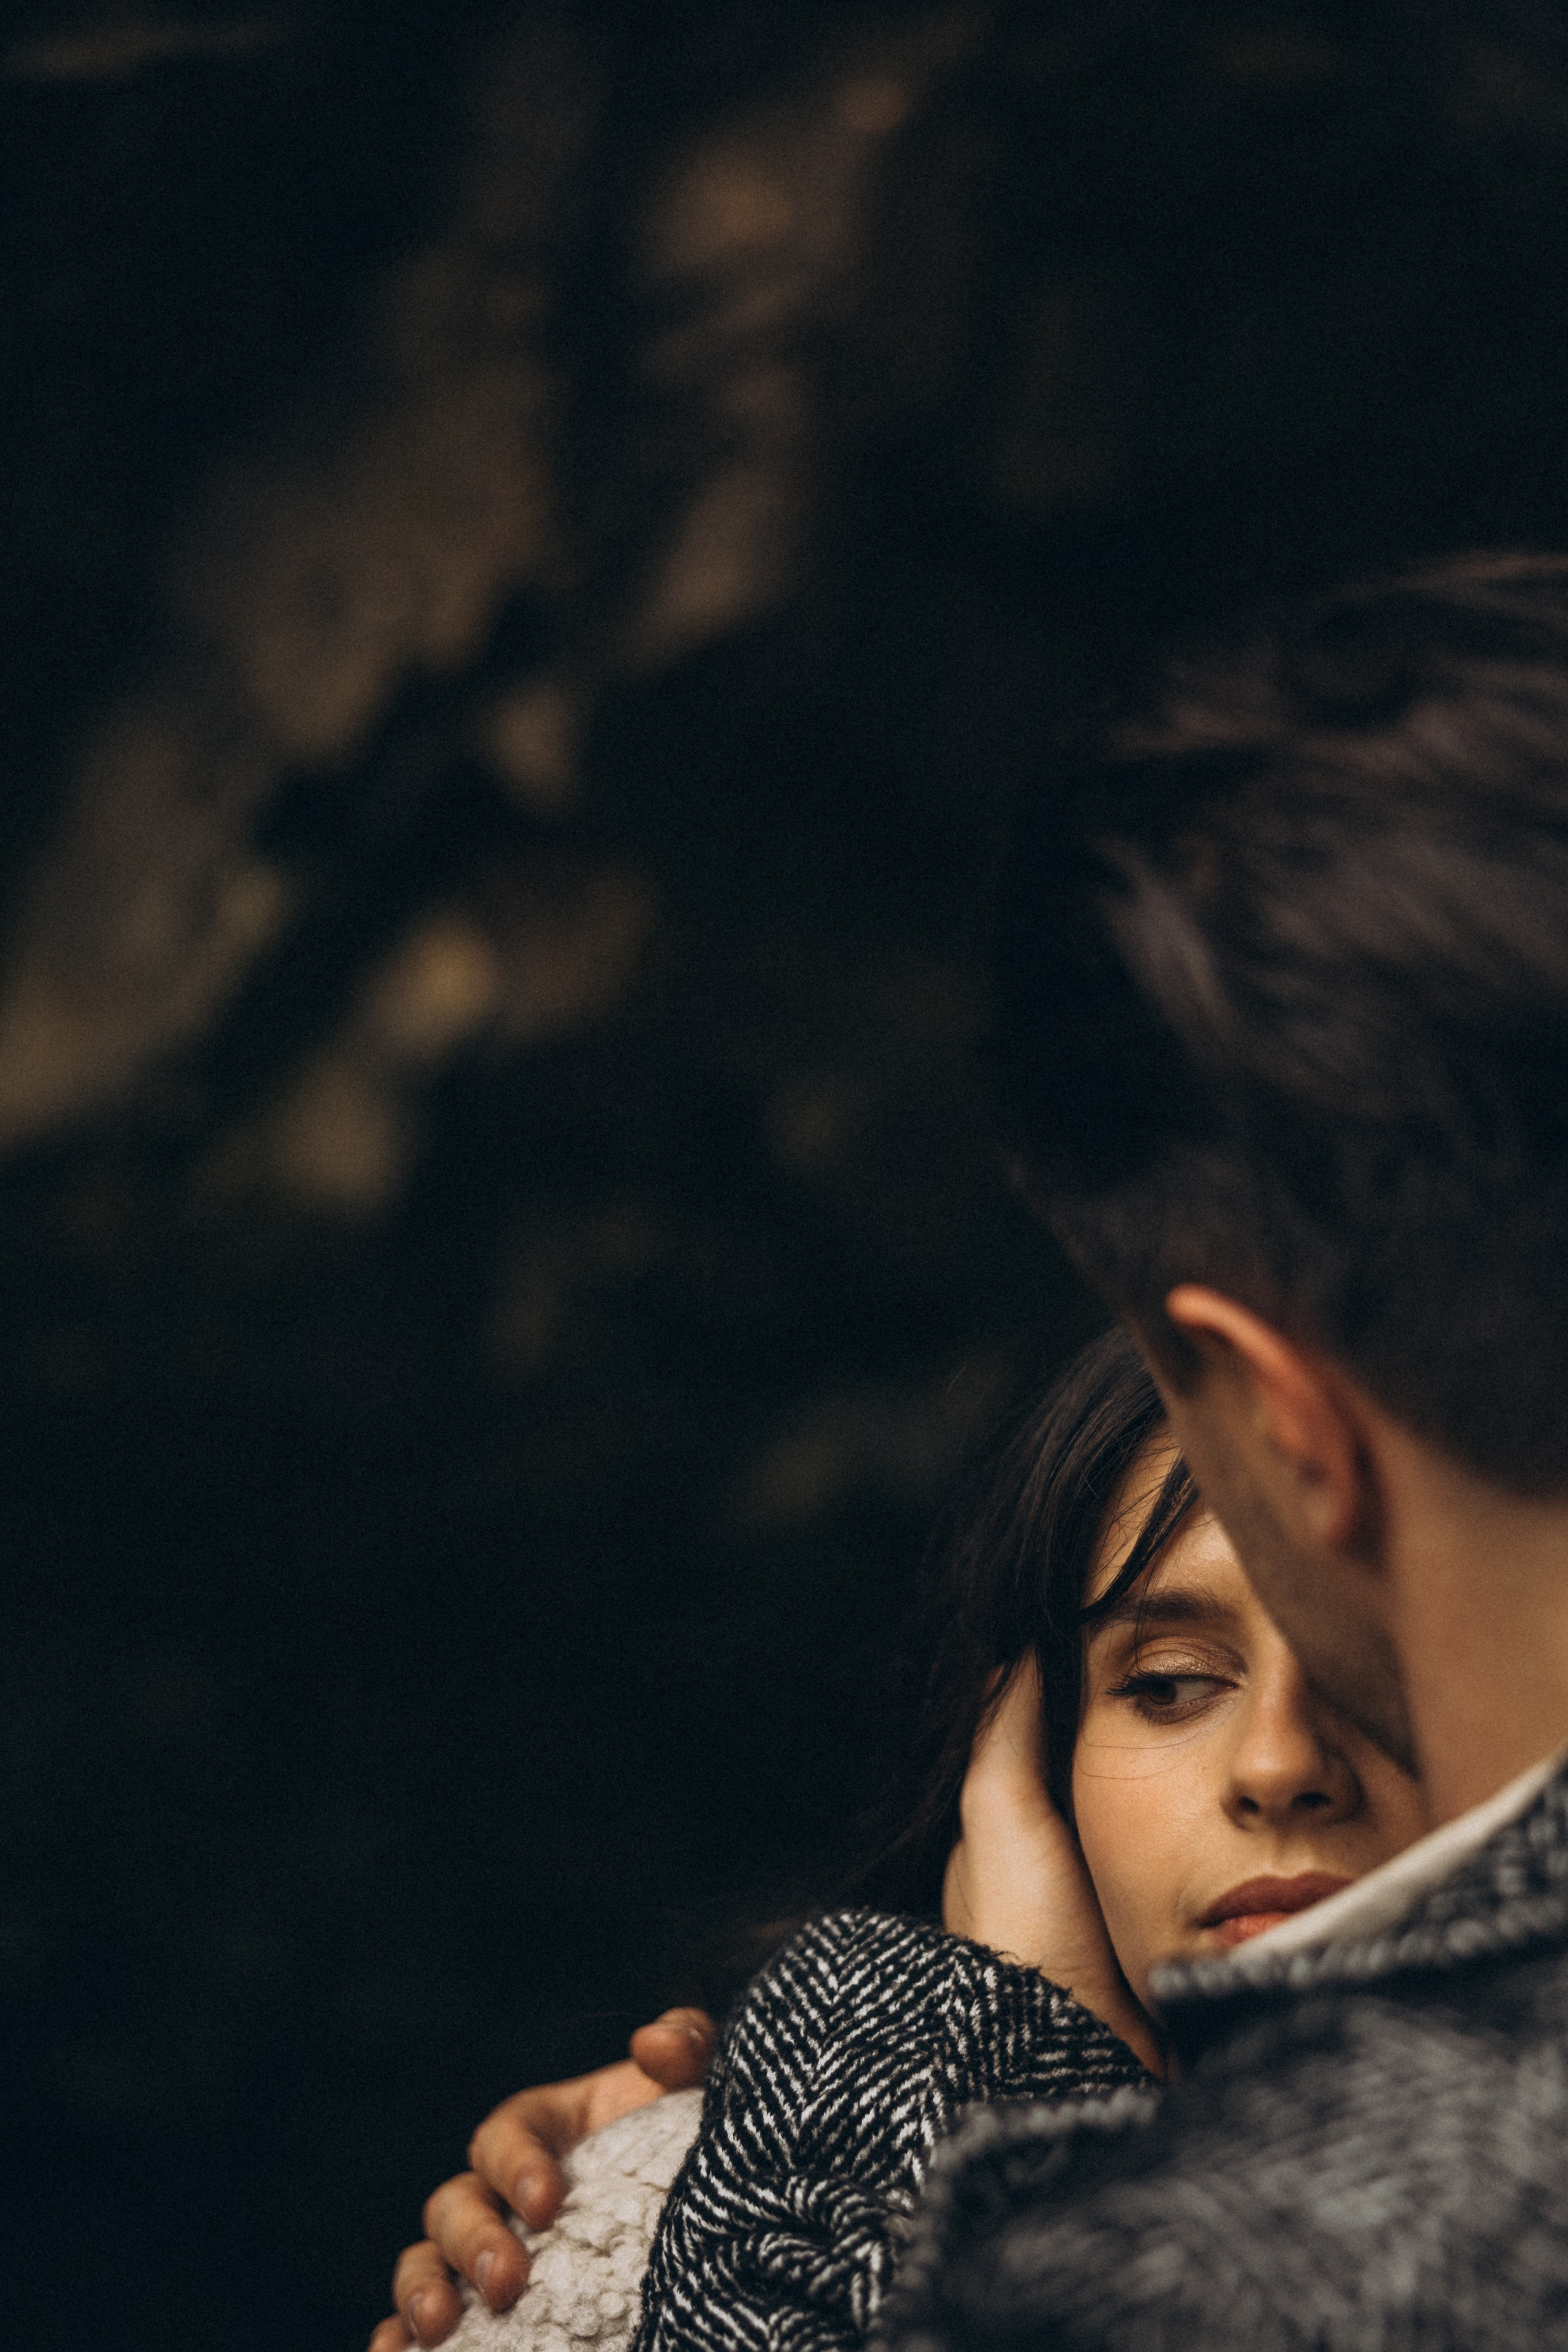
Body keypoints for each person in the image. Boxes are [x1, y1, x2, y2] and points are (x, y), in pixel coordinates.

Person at [371, 1327, 1424, 2352]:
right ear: (1032, 1767)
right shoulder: (659, 2204)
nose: (1280, 1764)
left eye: (1383, 1669)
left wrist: (998, 2085)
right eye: (1170, 1685)